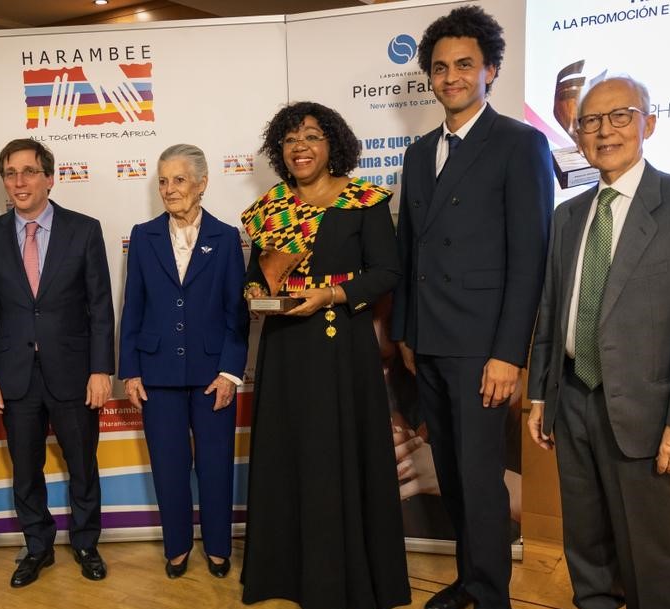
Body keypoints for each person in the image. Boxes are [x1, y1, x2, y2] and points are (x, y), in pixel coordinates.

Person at [527, 76, 670, 609]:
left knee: (649, 549)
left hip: (648, 411)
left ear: (649, 123)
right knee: (585, 538)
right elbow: (552, 310)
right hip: (572, 398)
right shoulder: (568, 214)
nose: (605, 131)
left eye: (620, 116)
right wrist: (540, 394)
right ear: (577, 135)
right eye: (590, 122)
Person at [390, 6, 554, 609]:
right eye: (440, 67)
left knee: (481, 479)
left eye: (464, 64)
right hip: (428, 342)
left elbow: (530, 258)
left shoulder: (520, 143)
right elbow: (409, 251)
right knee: (454, 474)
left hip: (483, 349)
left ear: (491, 70)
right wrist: (405, 332)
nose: (451, 77)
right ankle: (468, 583)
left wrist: (509, 355)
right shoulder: (418, 153)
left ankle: (489, 596)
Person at [240, 101, 411, 609]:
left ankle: (344, 577)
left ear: (332, 144)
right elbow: (257, 273)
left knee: (337, 454)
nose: (301, 147)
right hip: (285, 349)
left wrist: (333, 295)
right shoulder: (272, 206)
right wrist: (255, 292)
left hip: (343, 349)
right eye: (291, 139)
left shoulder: (364, 200)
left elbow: (387, 272)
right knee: (289, 455)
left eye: (312, 136)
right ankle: (286, 574)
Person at [0, 138, 114, 587]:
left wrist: (101, 369)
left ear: (50, 178)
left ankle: (86, 543)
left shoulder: (84, 230)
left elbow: (100, 307)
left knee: (82, 465)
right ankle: (37, 547)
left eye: (29, 171)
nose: (19, 181)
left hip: (73, 372)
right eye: (10, 173)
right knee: (25, 469)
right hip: (15, 376)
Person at [118, 144, 249, 579]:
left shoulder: (226, 237)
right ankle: (176, 547)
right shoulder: (143, 235)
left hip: (214, 374)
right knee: (168, 466)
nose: (169, 189)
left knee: (215, 464)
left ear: (202, 183)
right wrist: (130, 369)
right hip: (156, 372)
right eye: (163, 181)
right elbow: (132, 306)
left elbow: (236, 313)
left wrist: (230, 372)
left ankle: (217, 547)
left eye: (178, 180)